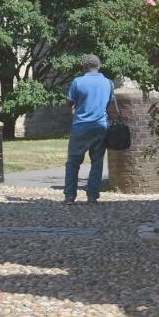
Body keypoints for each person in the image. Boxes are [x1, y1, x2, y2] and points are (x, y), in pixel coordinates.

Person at [63, 53, 118, 204]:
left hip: (81, 125)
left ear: (85, 66)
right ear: (99, 66)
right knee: (97, 161)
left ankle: (69, 196)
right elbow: (109, 104)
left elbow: (69, 102)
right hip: (100, 126)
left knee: (73, 162)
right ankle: (92, 196)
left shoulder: (77, 82)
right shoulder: (108, 83)